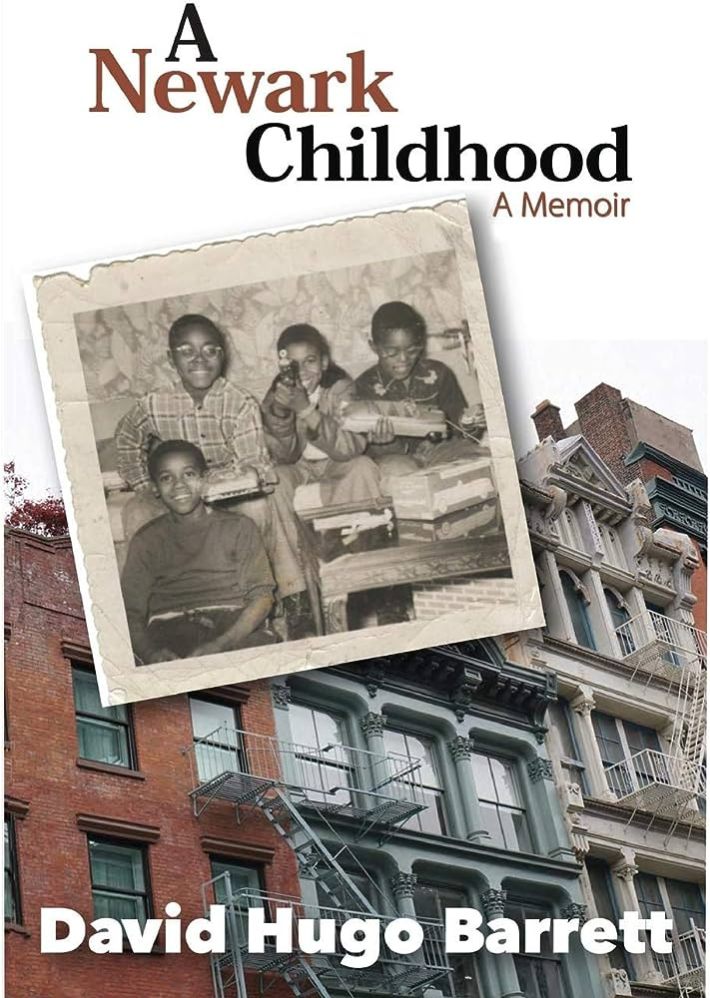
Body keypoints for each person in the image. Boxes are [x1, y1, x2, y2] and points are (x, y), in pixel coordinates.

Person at [113, 314, 306, 629]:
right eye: (187, 351)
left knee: (257, 506)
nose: (199, 359)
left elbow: (254, 463)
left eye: (210, 350)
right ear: (171, 358)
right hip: (177, 486)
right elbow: (126, 439)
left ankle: (256, 596)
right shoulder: (154, 403)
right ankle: (153, 607)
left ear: (222, 355)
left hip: (224, 489)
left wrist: (226, 483)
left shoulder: (240, 402)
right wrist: (144, 483)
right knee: (137, 511)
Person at [261, 324, 382, 634]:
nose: (302, 371)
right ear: (282, 365)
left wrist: (307, 410)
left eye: (311, 360)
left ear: (325, 361)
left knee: (363, 467)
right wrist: (281, 412)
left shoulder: (340, 387)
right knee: (274, 481)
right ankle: (296, 594)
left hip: (335, 464)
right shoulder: (278, 393)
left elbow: (350, 447)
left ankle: (365, 577)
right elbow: (283, 455)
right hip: (299, 466)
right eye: (293, 364)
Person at [120, 440, 276, 664]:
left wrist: (222, 644)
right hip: (169, 629)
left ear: (205, 479)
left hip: (231, 624)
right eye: (166, 478)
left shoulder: (239, 527)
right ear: (155, 487)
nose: (179, 485)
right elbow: (129, 612)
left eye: (189, 474)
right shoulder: (146, 540)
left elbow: (262, 597)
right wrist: (150, 653)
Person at [354, 300, 485, 479]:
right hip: (394, 458)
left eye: (412, 350)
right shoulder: (363, 386)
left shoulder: (439, 374)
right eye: (391, 353)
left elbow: (460, 431)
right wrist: (384, 444)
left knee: (479, 458)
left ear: (421, 344)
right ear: (374, 347)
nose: (403, 359)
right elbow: (362, 450)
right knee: (401, 473)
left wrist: (471, 423)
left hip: (440, 451)